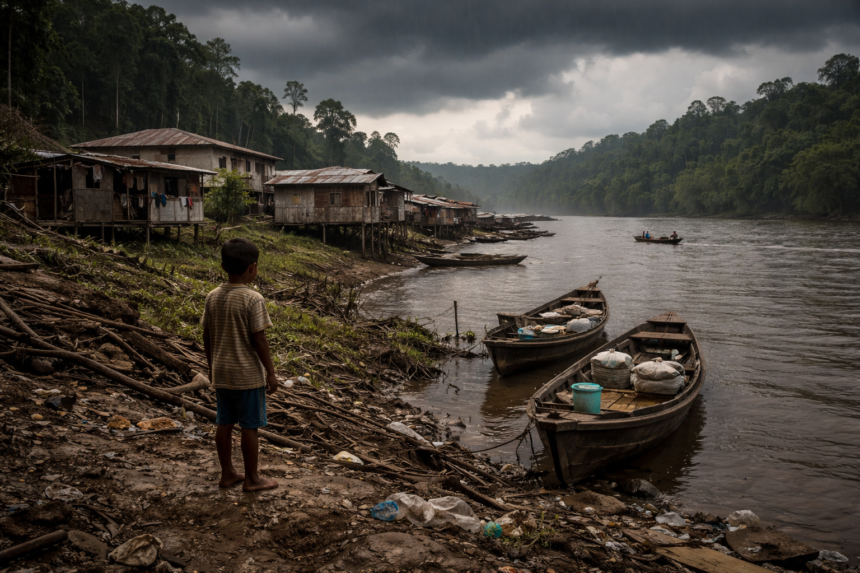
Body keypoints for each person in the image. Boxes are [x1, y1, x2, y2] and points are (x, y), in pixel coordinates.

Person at [202, 237, 279, 492]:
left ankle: (227, 474)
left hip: (221, 372)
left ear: (222, 266)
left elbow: (207, 334)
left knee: (224, 423)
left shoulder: (212, 296)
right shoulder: (252, 298)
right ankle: (252, 478)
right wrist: (271, 372)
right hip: (246, 375)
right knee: (249, 426)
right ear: (253, 268)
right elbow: (259, 339)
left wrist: (211, 365)